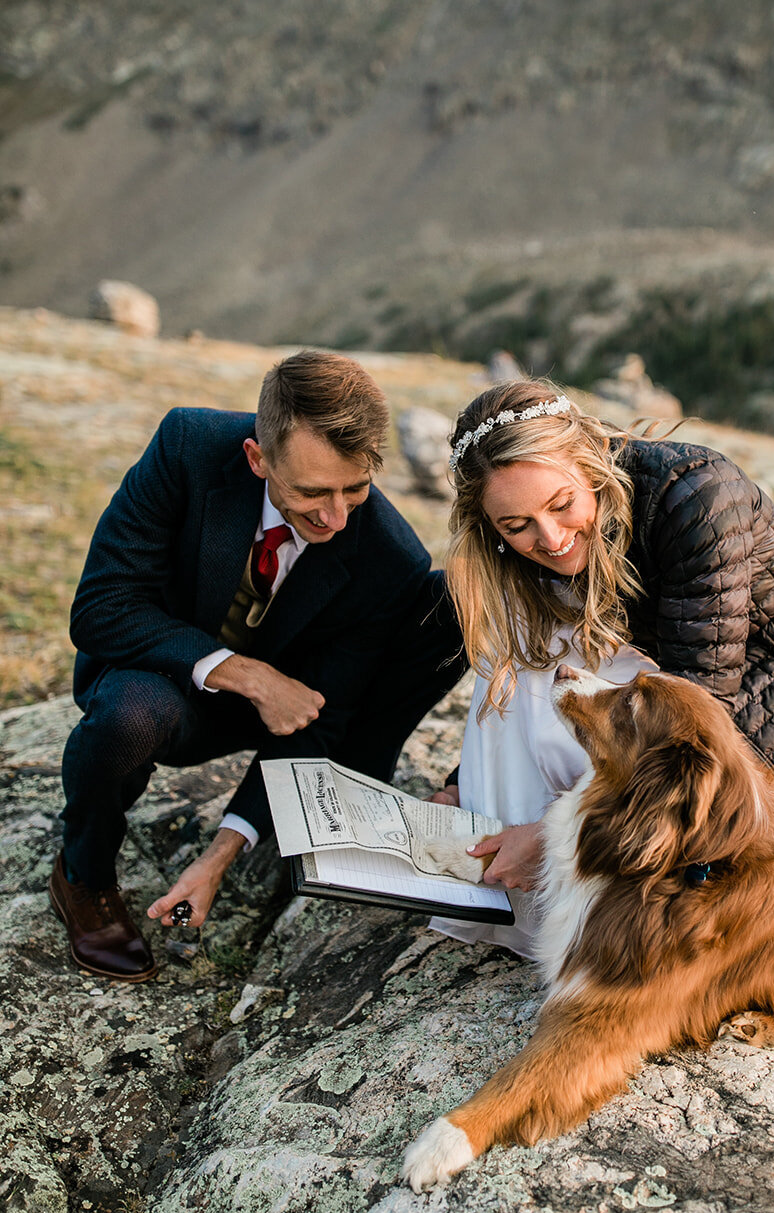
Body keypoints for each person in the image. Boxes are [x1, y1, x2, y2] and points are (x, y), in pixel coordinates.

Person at [430, 380, 774, 964]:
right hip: (689, 681)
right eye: (516, 526)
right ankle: (513, 872)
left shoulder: (698, 496)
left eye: (561, 504)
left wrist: (557, 832)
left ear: (591, 462)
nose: (550, 539)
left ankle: (554, 861)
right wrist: (464, 779)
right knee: (517, 641)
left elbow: (694, 718)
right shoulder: (522, 552)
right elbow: (521, 688)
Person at [51, 349, 464, 982]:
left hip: (282, 716)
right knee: (130, 716)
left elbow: (322, 713)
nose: (334, 517)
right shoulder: (187, 446)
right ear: (257, 458)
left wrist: (219, 856)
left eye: (355, 488)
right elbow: (102, 608)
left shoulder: (389, 555)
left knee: (444, 608)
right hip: (166, 676)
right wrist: (243, 672)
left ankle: (324, 806)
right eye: (310, 492)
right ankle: (82, 872)